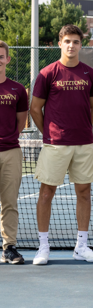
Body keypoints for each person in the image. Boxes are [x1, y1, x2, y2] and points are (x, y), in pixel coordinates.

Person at [30, 24, 93, 265]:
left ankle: (81, 246)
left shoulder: (90, 74)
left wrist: (82, 128)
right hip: (55, 144)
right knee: (46, 193)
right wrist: (49, 133)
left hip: (83, 143)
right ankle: (43, 247)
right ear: (60, 43)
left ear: (81, 45)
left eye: (76, 42)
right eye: (67, 41)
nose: (71, 45)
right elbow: (35, 108)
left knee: (84, 193)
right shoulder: (47, 73)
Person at [0, 41, 28, 264]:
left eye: (1, 56)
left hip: (11, 152)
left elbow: (21, 121)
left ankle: (9, 247)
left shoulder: (18, 89)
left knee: (9, 203)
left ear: (8, 59)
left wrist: (7, 139)